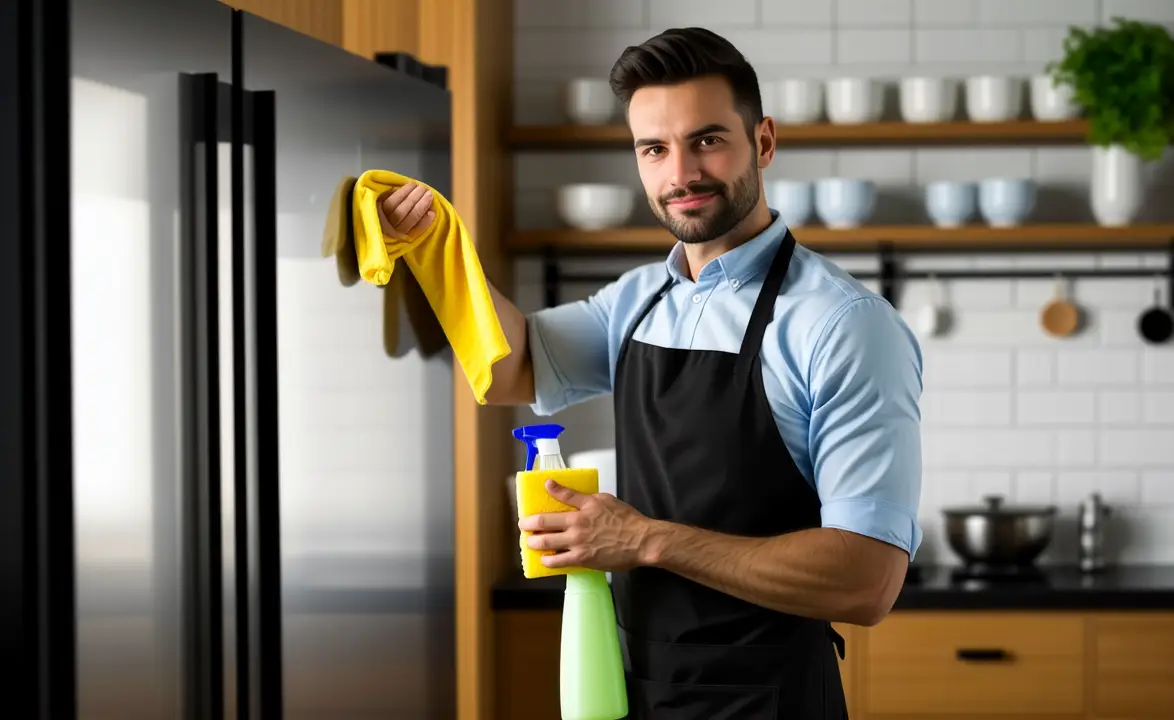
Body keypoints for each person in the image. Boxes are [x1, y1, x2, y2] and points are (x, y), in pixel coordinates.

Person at [380, 26, 923, 720]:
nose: (681, 175)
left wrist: (644, 540)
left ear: (763, 142)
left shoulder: (843, 323)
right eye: (654, 149)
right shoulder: (637, 300)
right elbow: (516, 367)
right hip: (635, 693)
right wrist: (434, 246)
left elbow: (867, 580)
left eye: (707, 140)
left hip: (769, 704)